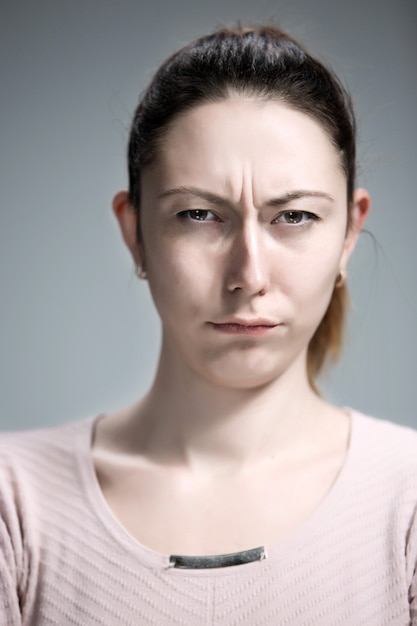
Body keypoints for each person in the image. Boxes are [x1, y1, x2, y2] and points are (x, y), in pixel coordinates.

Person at [1, 24, 416, 626]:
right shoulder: (16, 504)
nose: (248, 274)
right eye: (198, 215)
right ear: (134, 231)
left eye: (294, 216)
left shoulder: (405, 504)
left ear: (349, 233)